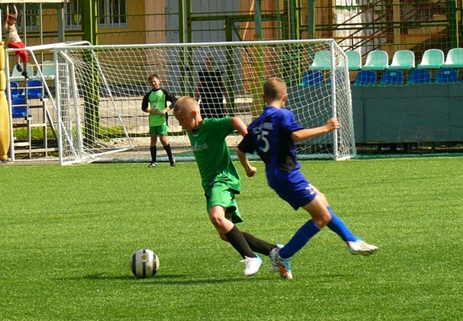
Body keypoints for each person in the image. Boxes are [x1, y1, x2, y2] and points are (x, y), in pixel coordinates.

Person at [237, 77, 378, 280]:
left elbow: (241, 150)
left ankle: (352, 240)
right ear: (285, 97)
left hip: (275, 176)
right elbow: (296, 135)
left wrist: (248, 168)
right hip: (289, 175)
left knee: (322, 201)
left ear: (263, 97)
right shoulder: (282, 114)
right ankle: (282, 255)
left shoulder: (257, 123)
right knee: (322, 217)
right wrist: (326, 128)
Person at [173, 96, 281, 276]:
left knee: (216, 217)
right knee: (225, 233)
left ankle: (251, 257)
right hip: (209, 186)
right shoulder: (192, 129)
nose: (181, 125)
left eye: (182, 120)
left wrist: (248, 139)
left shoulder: (211, 126)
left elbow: (234, 121)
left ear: (193, 114)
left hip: (221, 180)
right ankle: (273, 250)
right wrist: (248, 167)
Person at [141, 74, 177, 167]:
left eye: (154, 81)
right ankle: (153, 161)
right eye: (151, 82)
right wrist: (151, 111)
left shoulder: (164, 92)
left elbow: (175, 101)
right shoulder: (149, 95)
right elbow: (143, 107)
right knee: (153, 140)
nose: (153, 83)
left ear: (159, 81)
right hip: (153, 120)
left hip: (162, 120)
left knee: (163, 138)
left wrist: (166, 110)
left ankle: (171, 157)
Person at [194, 54, 229, 119]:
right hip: (205, 104)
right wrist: (195, 104)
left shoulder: (218, 73)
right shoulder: (202, 73)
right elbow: (197, 90)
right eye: (207, 59)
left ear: (214, 61)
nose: (208, 61)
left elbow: (224, 89)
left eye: (210, 59)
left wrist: (227, 103)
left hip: (217, 104)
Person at [4, 5, 30, 79]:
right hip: (11, 42)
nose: (15, 21)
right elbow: (7, 15)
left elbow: (16, 13)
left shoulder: (13, 24)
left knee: (25, 53)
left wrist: (14, 5)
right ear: (9, 20)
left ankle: (25, 70)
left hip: (18, 41)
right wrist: (7, 6)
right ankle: (18, 63)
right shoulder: (6, 25)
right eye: (13, 20)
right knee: (18, 48)